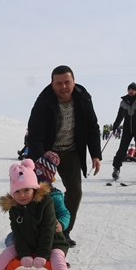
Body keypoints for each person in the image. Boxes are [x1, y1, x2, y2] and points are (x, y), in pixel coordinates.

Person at [26, 65, 101, 247]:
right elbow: (34, 134)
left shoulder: (83, 99)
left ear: (74, 82)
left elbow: (92, 127)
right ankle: (34, 233)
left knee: (75, 191)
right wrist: (39, 161)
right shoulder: (43, 102)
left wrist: (95, 154)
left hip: (71, 152)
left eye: (67, 82)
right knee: (40, 194)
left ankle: (63, 232)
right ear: (52, 84)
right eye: (59, 83)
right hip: (47, 154)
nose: (64, 87)